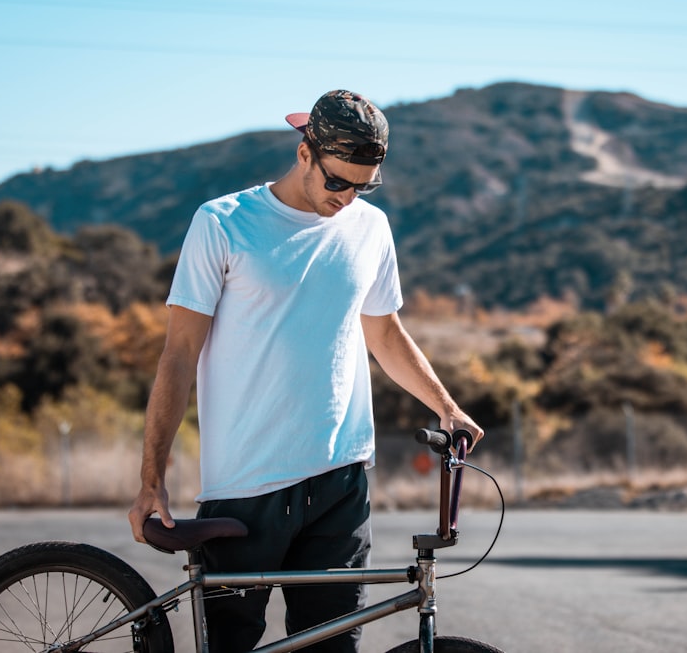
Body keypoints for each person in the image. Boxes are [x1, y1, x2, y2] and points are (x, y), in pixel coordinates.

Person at [128, 89, 485, 653]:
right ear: (304, 153)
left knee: (333, 648)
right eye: (337, 181)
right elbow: (178, 356)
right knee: (230, 647)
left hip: (341, 481)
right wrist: (152, 479)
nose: (347, 197)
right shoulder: (223, 223)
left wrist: (446, 406)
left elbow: (384, 332)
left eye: (362, 185)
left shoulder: (370, 229)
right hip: (246, 487)